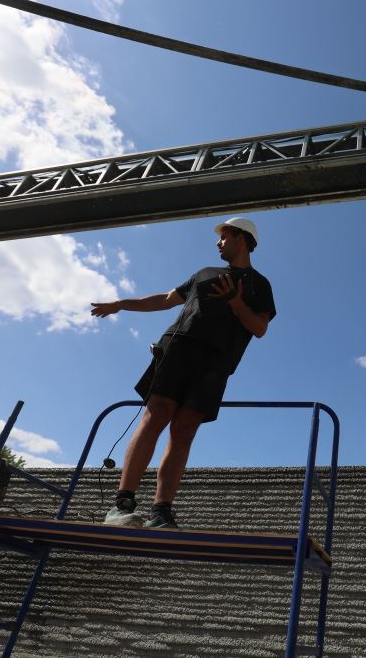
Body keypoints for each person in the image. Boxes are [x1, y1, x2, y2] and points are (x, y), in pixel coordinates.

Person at [90, 217, 275, 528]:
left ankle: (160, 512)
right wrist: (121, 304)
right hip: (179, 348)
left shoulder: (260, 285)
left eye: (224, 237)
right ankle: (122, 505)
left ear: (242, 238)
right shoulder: (204, 273)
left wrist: (235, 302)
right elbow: (165, 299)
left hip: (216, 361)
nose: (218, 242)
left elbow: (259, 328)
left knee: (185, 431)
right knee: (156, 415)